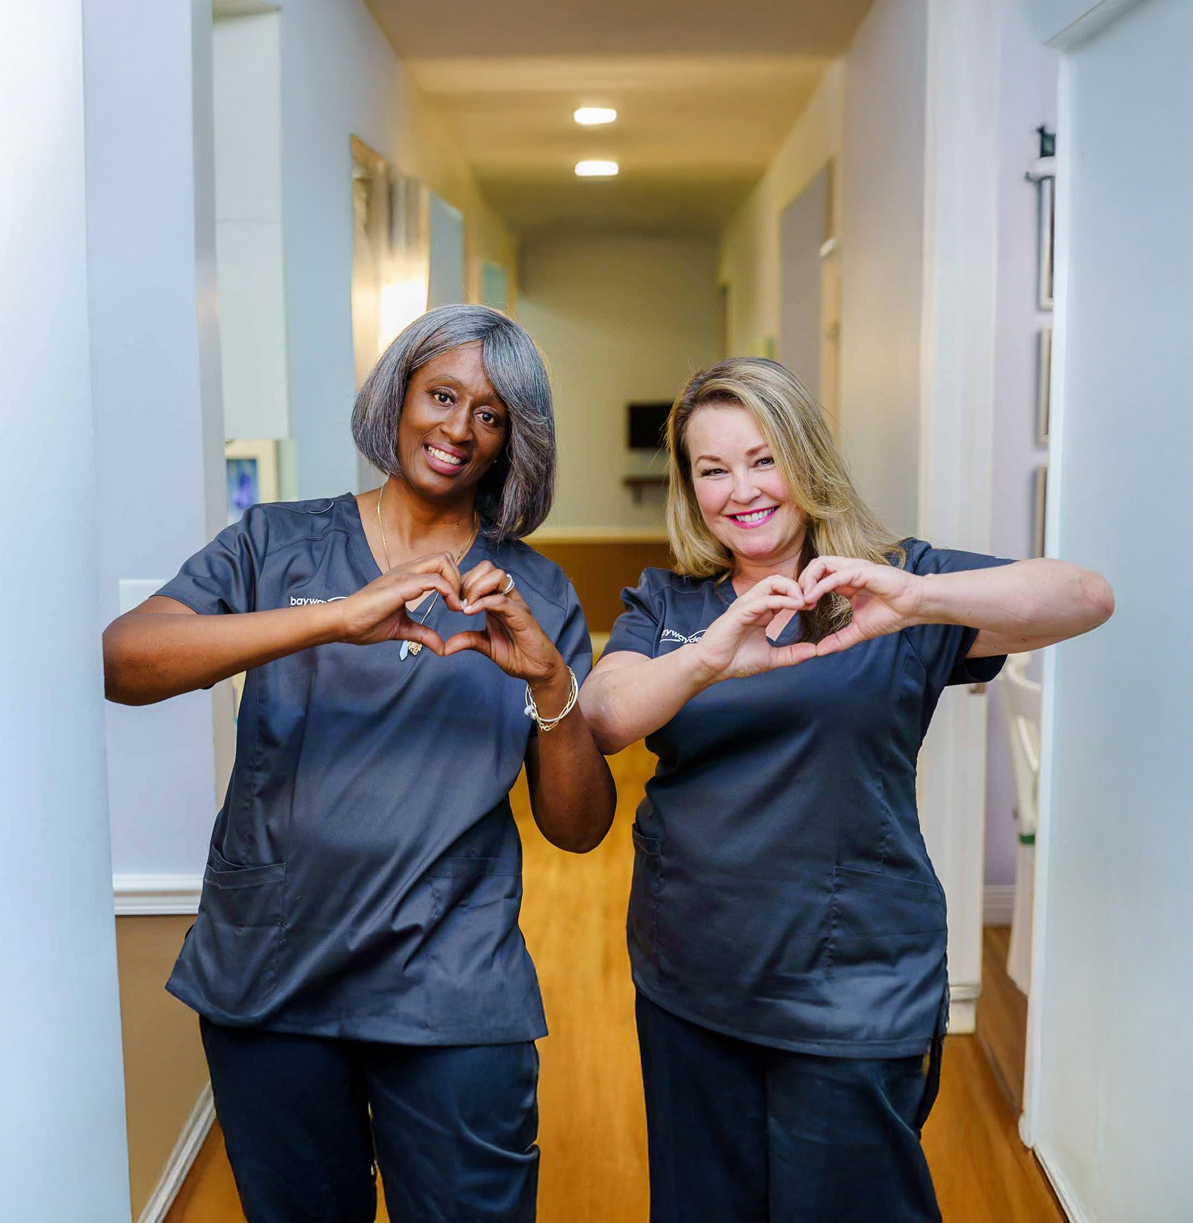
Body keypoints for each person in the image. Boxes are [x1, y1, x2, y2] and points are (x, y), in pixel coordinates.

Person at [103, 305, 616, 1223]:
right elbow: (123, 661)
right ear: (400, 397)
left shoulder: (532, 591)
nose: (459, 428)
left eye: (490, 414)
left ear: (513, 441)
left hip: (451, 985)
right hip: (271, 971)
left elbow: (578, 829)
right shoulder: (276, 543)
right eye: (443, 394)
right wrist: (333, 615)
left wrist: (547, 679)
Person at [580, 357, 1113, 1223]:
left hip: (853, 985)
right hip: (691, 977)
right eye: (712, 469)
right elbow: (602, 717)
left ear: (805, 459)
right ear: (690, 487)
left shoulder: (888, 586)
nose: (741, 489)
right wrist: (709, 655)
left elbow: (1085, 596)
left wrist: (920, 599)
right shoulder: (671, 602)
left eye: (762, 458)